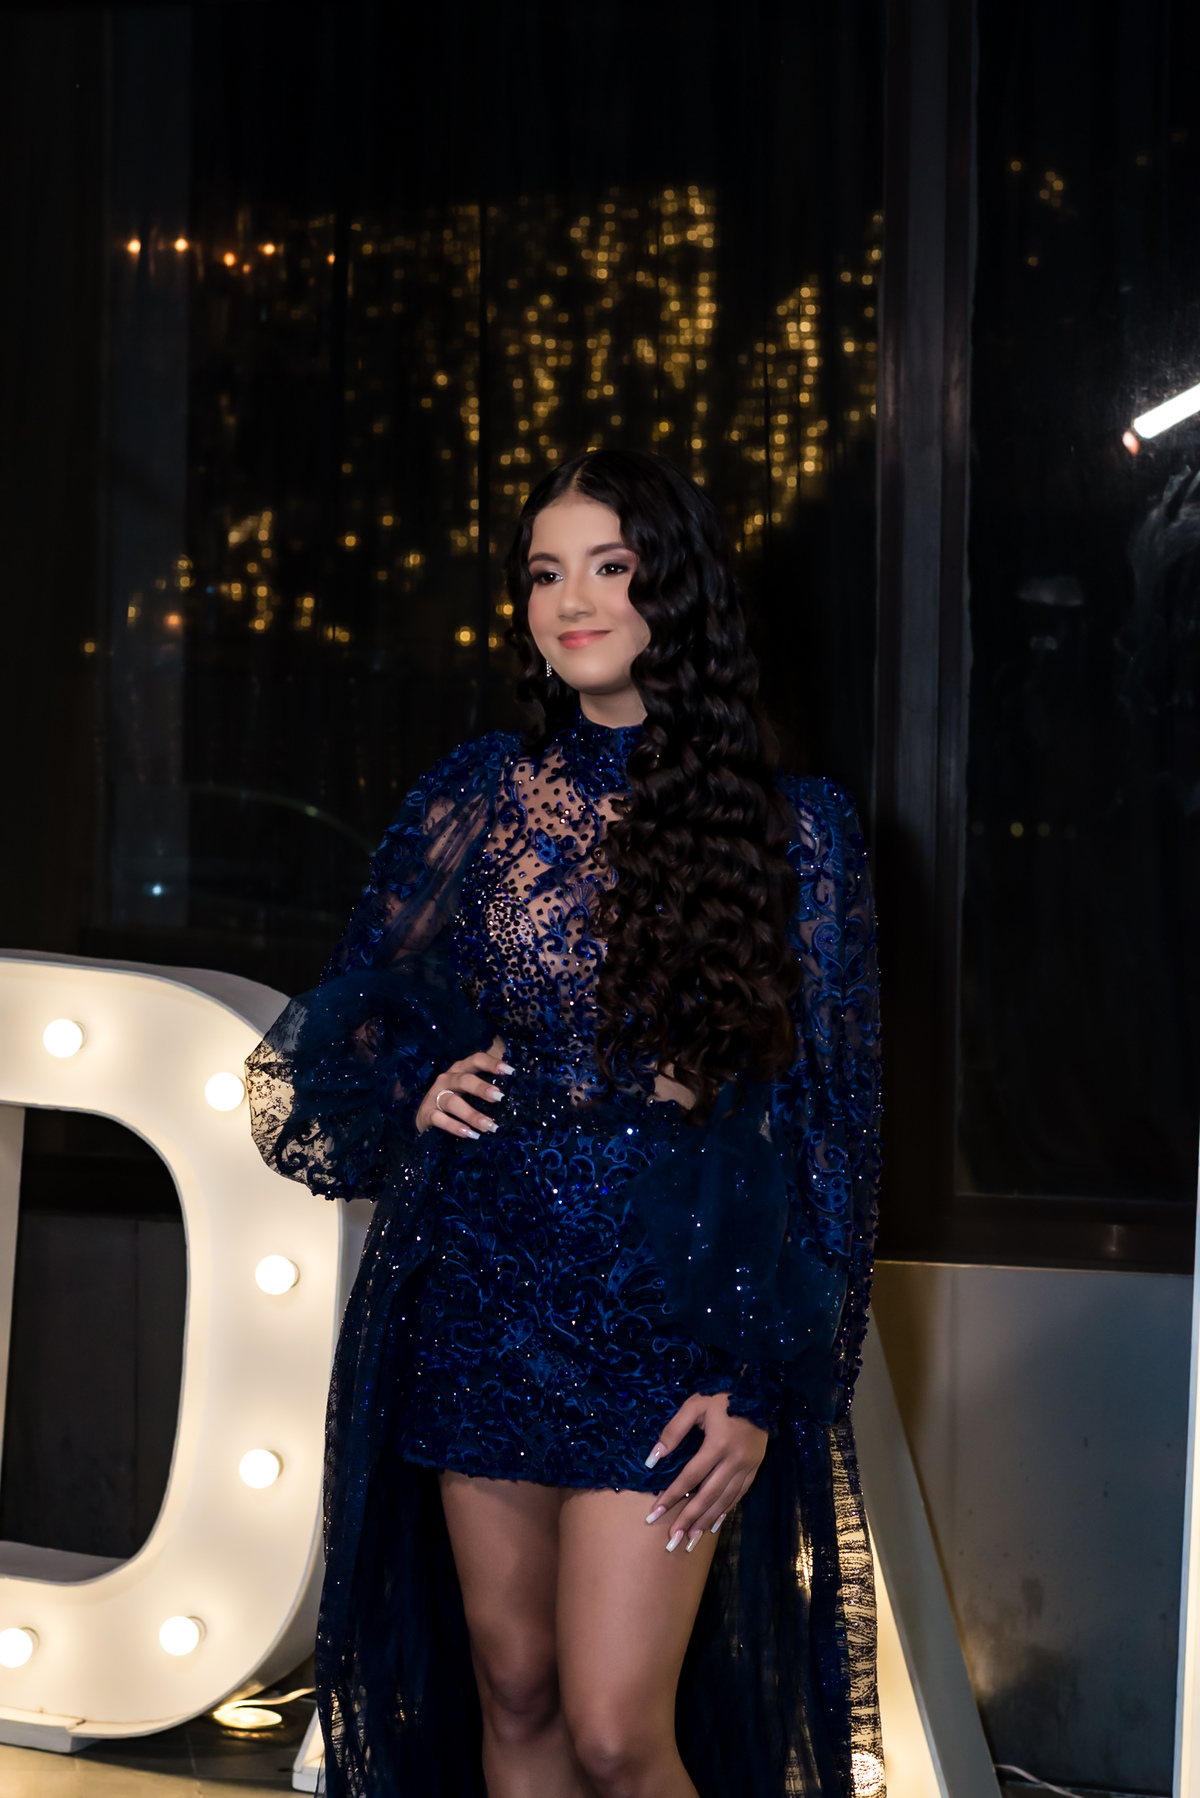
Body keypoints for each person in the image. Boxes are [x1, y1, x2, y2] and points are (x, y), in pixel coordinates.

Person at [247, 448, 883, 1798]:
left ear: (679, 589)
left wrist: (766, 1384)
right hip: (482, 1290)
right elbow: (346, 1019)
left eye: (610, 566)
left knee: (612, 1729)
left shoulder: (799, 831)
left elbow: (830, 1135)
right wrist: (415, 1083)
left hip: (671, 1319)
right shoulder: (478, 791)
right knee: (518, 1691)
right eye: (546, 573)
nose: (572, 601)